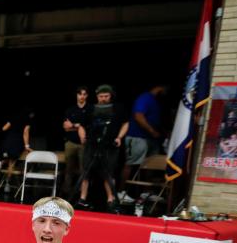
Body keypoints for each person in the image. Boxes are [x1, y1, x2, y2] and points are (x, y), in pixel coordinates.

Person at [76, 85, 129, 213]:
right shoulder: (91, 109)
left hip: (110, 145)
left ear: (110, 96)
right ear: (97, 96)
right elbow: (81, 125)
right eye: (101, 96)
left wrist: (119, 137)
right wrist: (82, 137)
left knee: (109, 173)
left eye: (106, 96)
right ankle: (82, 199)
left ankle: (110, 199)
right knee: (86, 172)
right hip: (92, 145)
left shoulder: (118, 108)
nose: (103, 99)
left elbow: (126, 123)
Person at [120, 84, 167, 203]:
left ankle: (146, 192)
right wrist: (152, 131)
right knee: (131, 163)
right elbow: (138, 116)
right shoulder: (145, 98)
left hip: (152, 139)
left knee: (150, 165)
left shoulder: (157, 101)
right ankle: (121, 192)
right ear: (160, 87)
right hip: (137, 137)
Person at [62, 86, 92, 198]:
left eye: (84, 94)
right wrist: (79, 126)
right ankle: (66, 193)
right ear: (77, 95)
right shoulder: (70, 110)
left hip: (85, 144)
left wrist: (75, 125)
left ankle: (82, 195)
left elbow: (90, 127)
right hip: (71, 143)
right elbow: (65, 127)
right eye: (80, 94)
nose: (82, 96)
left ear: (87, 96)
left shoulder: (90, 109)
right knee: (69, 168)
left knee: (84, 170)